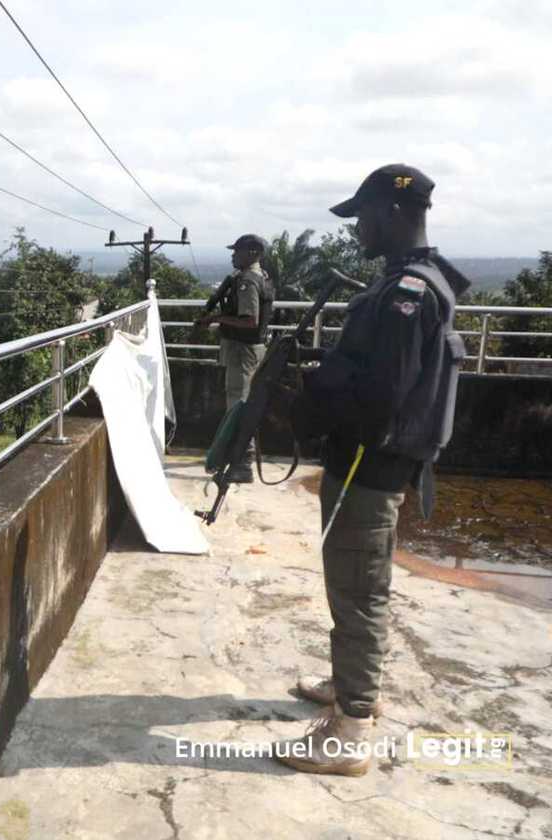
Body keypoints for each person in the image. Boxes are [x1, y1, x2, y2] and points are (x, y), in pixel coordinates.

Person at [279, 164, 469, 776]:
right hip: (372, 460)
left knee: (358, 591)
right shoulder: (410, 283)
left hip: (368, 462)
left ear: (390, 212)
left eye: (361, 216)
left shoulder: (408, 293)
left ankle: (349, 732)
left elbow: (380, 394)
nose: (357, 229)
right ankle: (351, 687)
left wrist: (310, 396)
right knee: (359, 584)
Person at [195, 234, 275, 483]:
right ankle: (238, 459)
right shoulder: (259, 276)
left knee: (239, 408)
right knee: (240, 405)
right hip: (248, 351)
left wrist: (215, 319)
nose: (233, 255)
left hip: (244, 351)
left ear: (253, 253)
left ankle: (243, 464)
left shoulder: (248, 281)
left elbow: (249, 321)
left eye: (237, 251)